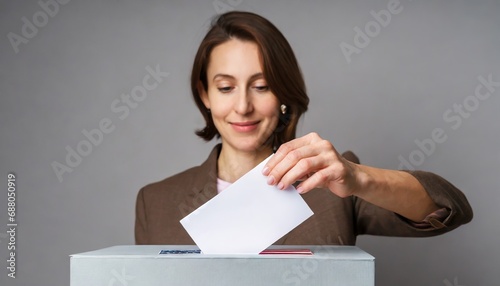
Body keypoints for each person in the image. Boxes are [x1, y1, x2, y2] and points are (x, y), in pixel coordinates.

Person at [135, 11, 472, 245]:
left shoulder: (331, 185)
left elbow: (449, 209)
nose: (242, 106)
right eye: (225, 87)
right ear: (204, 93)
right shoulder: (157, 201)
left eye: (262, 85)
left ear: (283, 92)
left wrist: (358, 177)